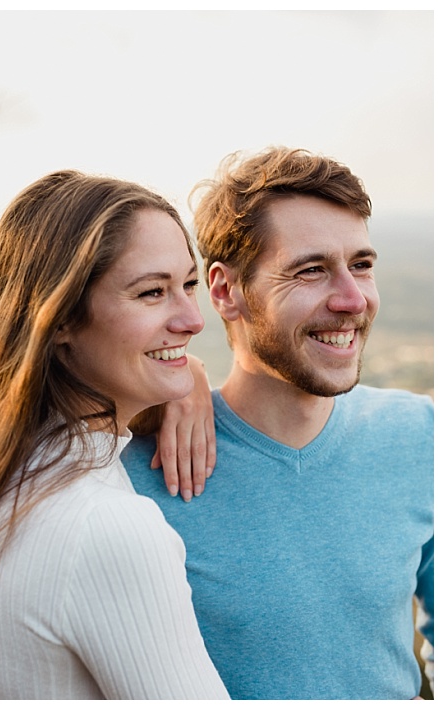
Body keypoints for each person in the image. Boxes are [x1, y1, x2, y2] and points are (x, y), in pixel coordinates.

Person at [124, 147, 434, 699]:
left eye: (361, 265)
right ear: (225, 291)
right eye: (310, 270)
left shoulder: (419, 434)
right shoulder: (134, 469)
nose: (351, 299)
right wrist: (175, 378)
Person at [0, 170, 229, 699]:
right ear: (61, 319)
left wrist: (177, 377)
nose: (192, 319)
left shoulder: (2, 468)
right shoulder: (110, 526)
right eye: (152, 292)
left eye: (189, 284)